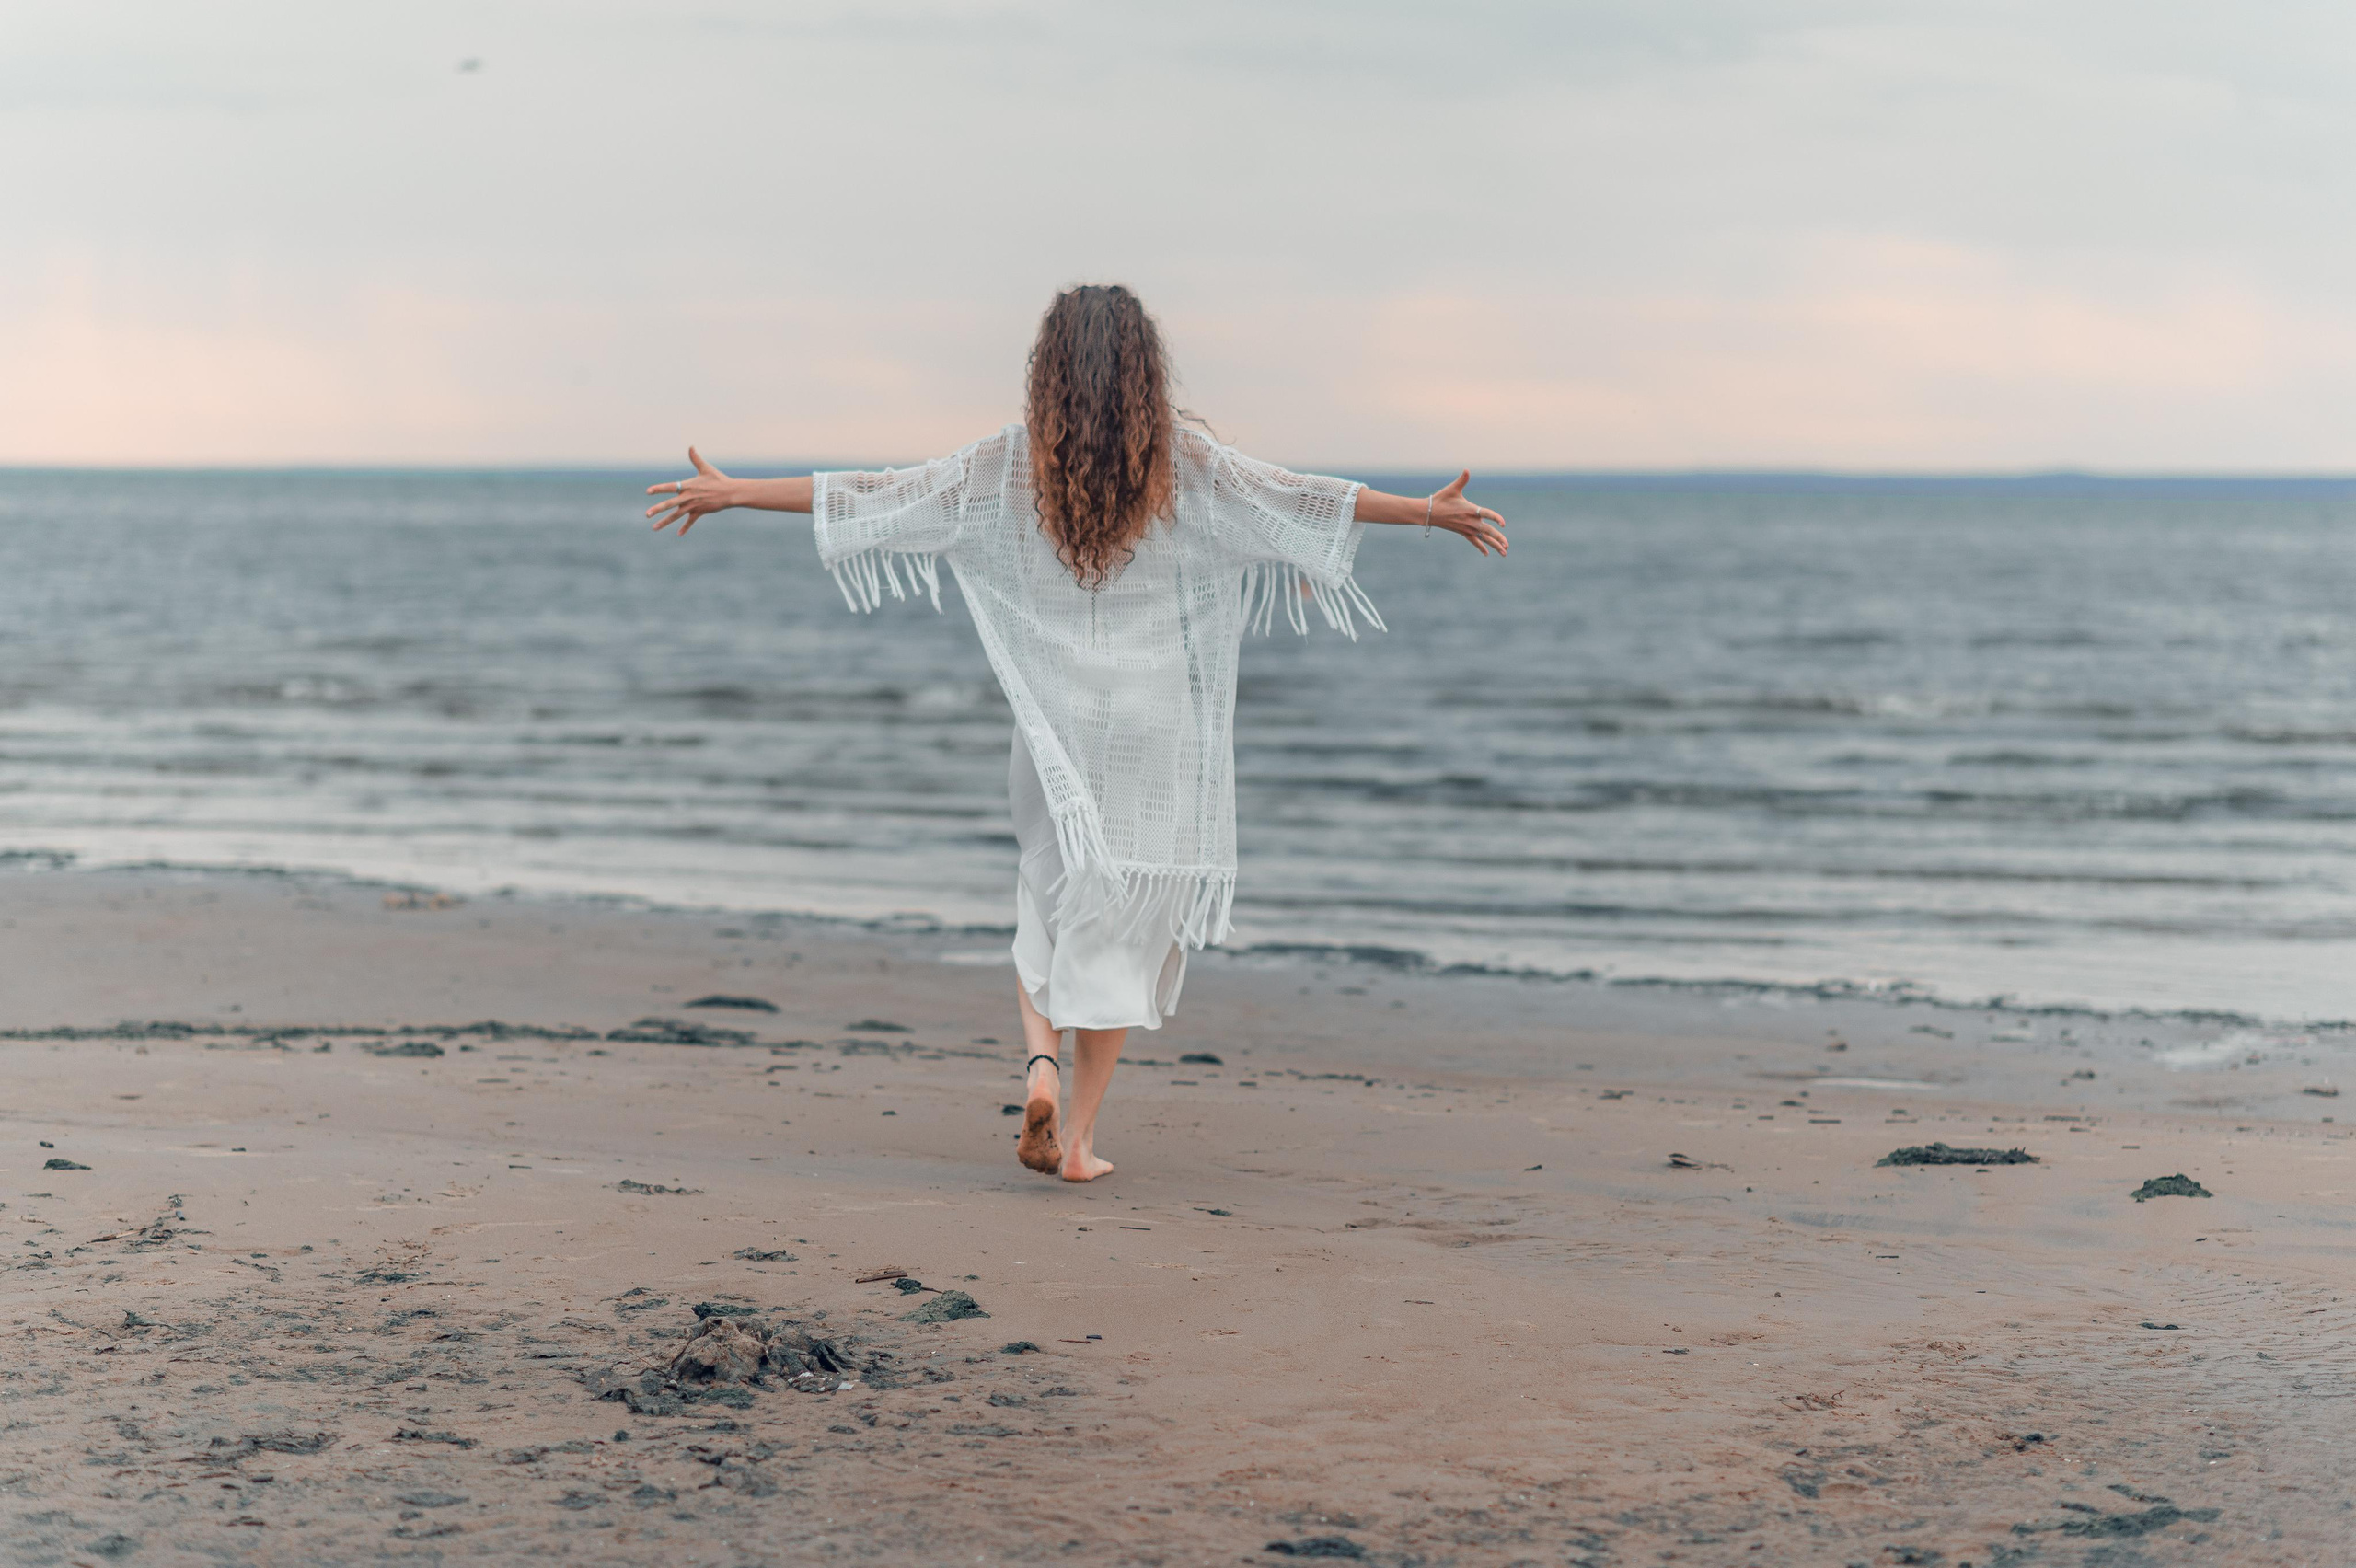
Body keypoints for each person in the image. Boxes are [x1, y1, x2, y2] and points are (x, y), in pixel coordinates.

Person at [645, 284, 1507, 1182]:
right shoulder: (1190, 467)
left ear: (1046, 372)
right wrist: (1423, 511)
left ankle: (1040, 1070)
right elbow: (1300, 498)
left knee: (1047, 894)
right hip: (1153, 730)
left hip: (1050, 733)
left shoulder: (1006, 467)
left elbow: (874, 494)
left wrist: (736, 491)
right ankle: (1081, 1142)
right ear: (1147, 372)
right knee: (1124, 920)